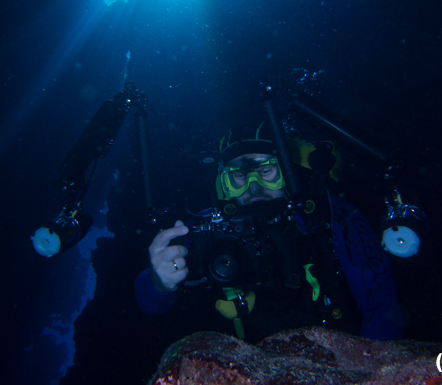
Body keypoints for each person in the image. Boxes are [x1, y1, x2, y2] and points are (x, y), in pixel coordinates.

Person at [134, 122, 404, 341]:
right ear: (225, 182)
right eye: (240, 175)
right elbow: (148, 302)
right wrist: (159, 282)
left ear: (286, 170)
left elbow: (383, 306)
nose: (254, 187)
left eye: (266, 170)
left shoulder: (333, 217)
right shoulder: (207, 229)